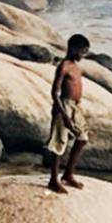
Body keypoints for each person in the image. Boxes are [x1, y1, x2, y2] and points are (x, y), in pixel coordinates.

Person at [46, 35, 91, 193]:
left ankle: (68, 174)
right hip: (63, 106)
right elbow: (55, 92)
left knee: (82, 138)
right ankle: (53, 180)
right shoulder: (64, 66)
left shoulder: (76, 67)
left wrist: (75, 109)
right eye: (82, 51)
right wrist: (64, 116)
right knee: (59, 142)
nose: (83, 55)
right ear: (73, 48)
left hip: (75, 106)